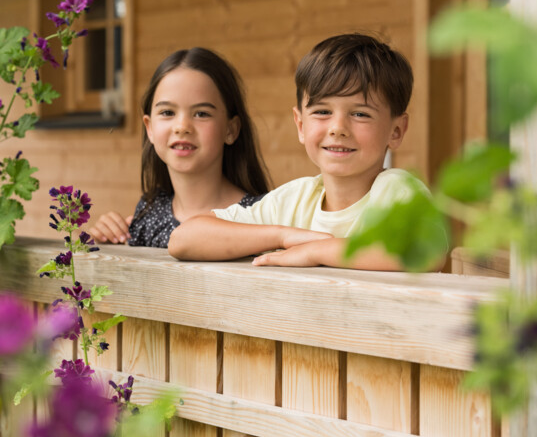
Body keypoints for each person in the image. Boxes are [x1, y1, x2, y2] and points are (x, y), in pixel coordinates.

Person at [168, 33, 442, 270]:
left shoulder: (397, 191)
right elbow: (184, 239)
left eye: (360, 113)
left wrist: (317, 251)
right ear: (300, 124)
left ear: (396, 131)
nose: (338, 128)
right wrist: (282, 236)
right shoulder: (294, 199)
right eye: (322, 111)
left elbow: (427, 252)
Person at [89, 48, 270, 248]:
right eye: (167, 112)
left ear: (231, 130)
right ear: (149, 128)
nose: (182, 127)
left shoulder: (260, 215)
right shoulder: (149, 214)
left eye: (201, 114)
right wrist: (107, 244)